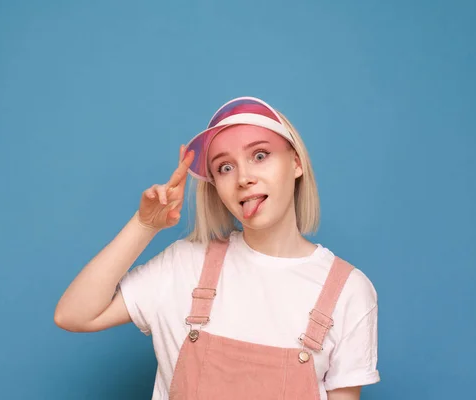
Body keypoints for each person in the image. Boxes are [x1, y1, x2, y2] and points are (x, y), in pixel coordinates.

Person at [54, 97, 380, 400]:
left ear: (295, 163)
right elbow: (74, 315)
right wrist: (145, 225)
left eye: (260, 155)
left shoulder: (348, 291)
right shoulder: (183, 265)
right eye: (225, 167)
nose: (243, 178)